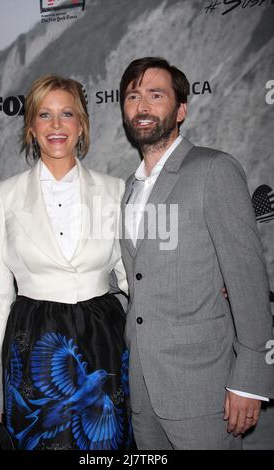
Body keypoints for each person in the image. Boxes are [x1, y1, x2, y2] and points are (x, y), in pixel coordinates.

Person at [119, 57, 274, 450]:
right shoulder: (129, 189)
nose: (143, 106)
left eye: (156, 95)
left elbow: (249, 282)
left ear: (181, 109)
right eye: (133, 96)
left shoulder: (213, 170)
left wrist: (249, 380)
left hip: (205, 389)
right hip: (144, 390)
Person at [0, 75, 132, 450]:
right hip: (35, 341)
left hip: (102, 339)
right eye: (45, 115)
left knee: (106, 445)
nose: (57, 125)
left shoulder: (115, 191)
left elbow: (133, 279)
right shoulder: (5, 195)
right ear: (31, 128)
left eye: (67, 114)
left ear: (82, 126)